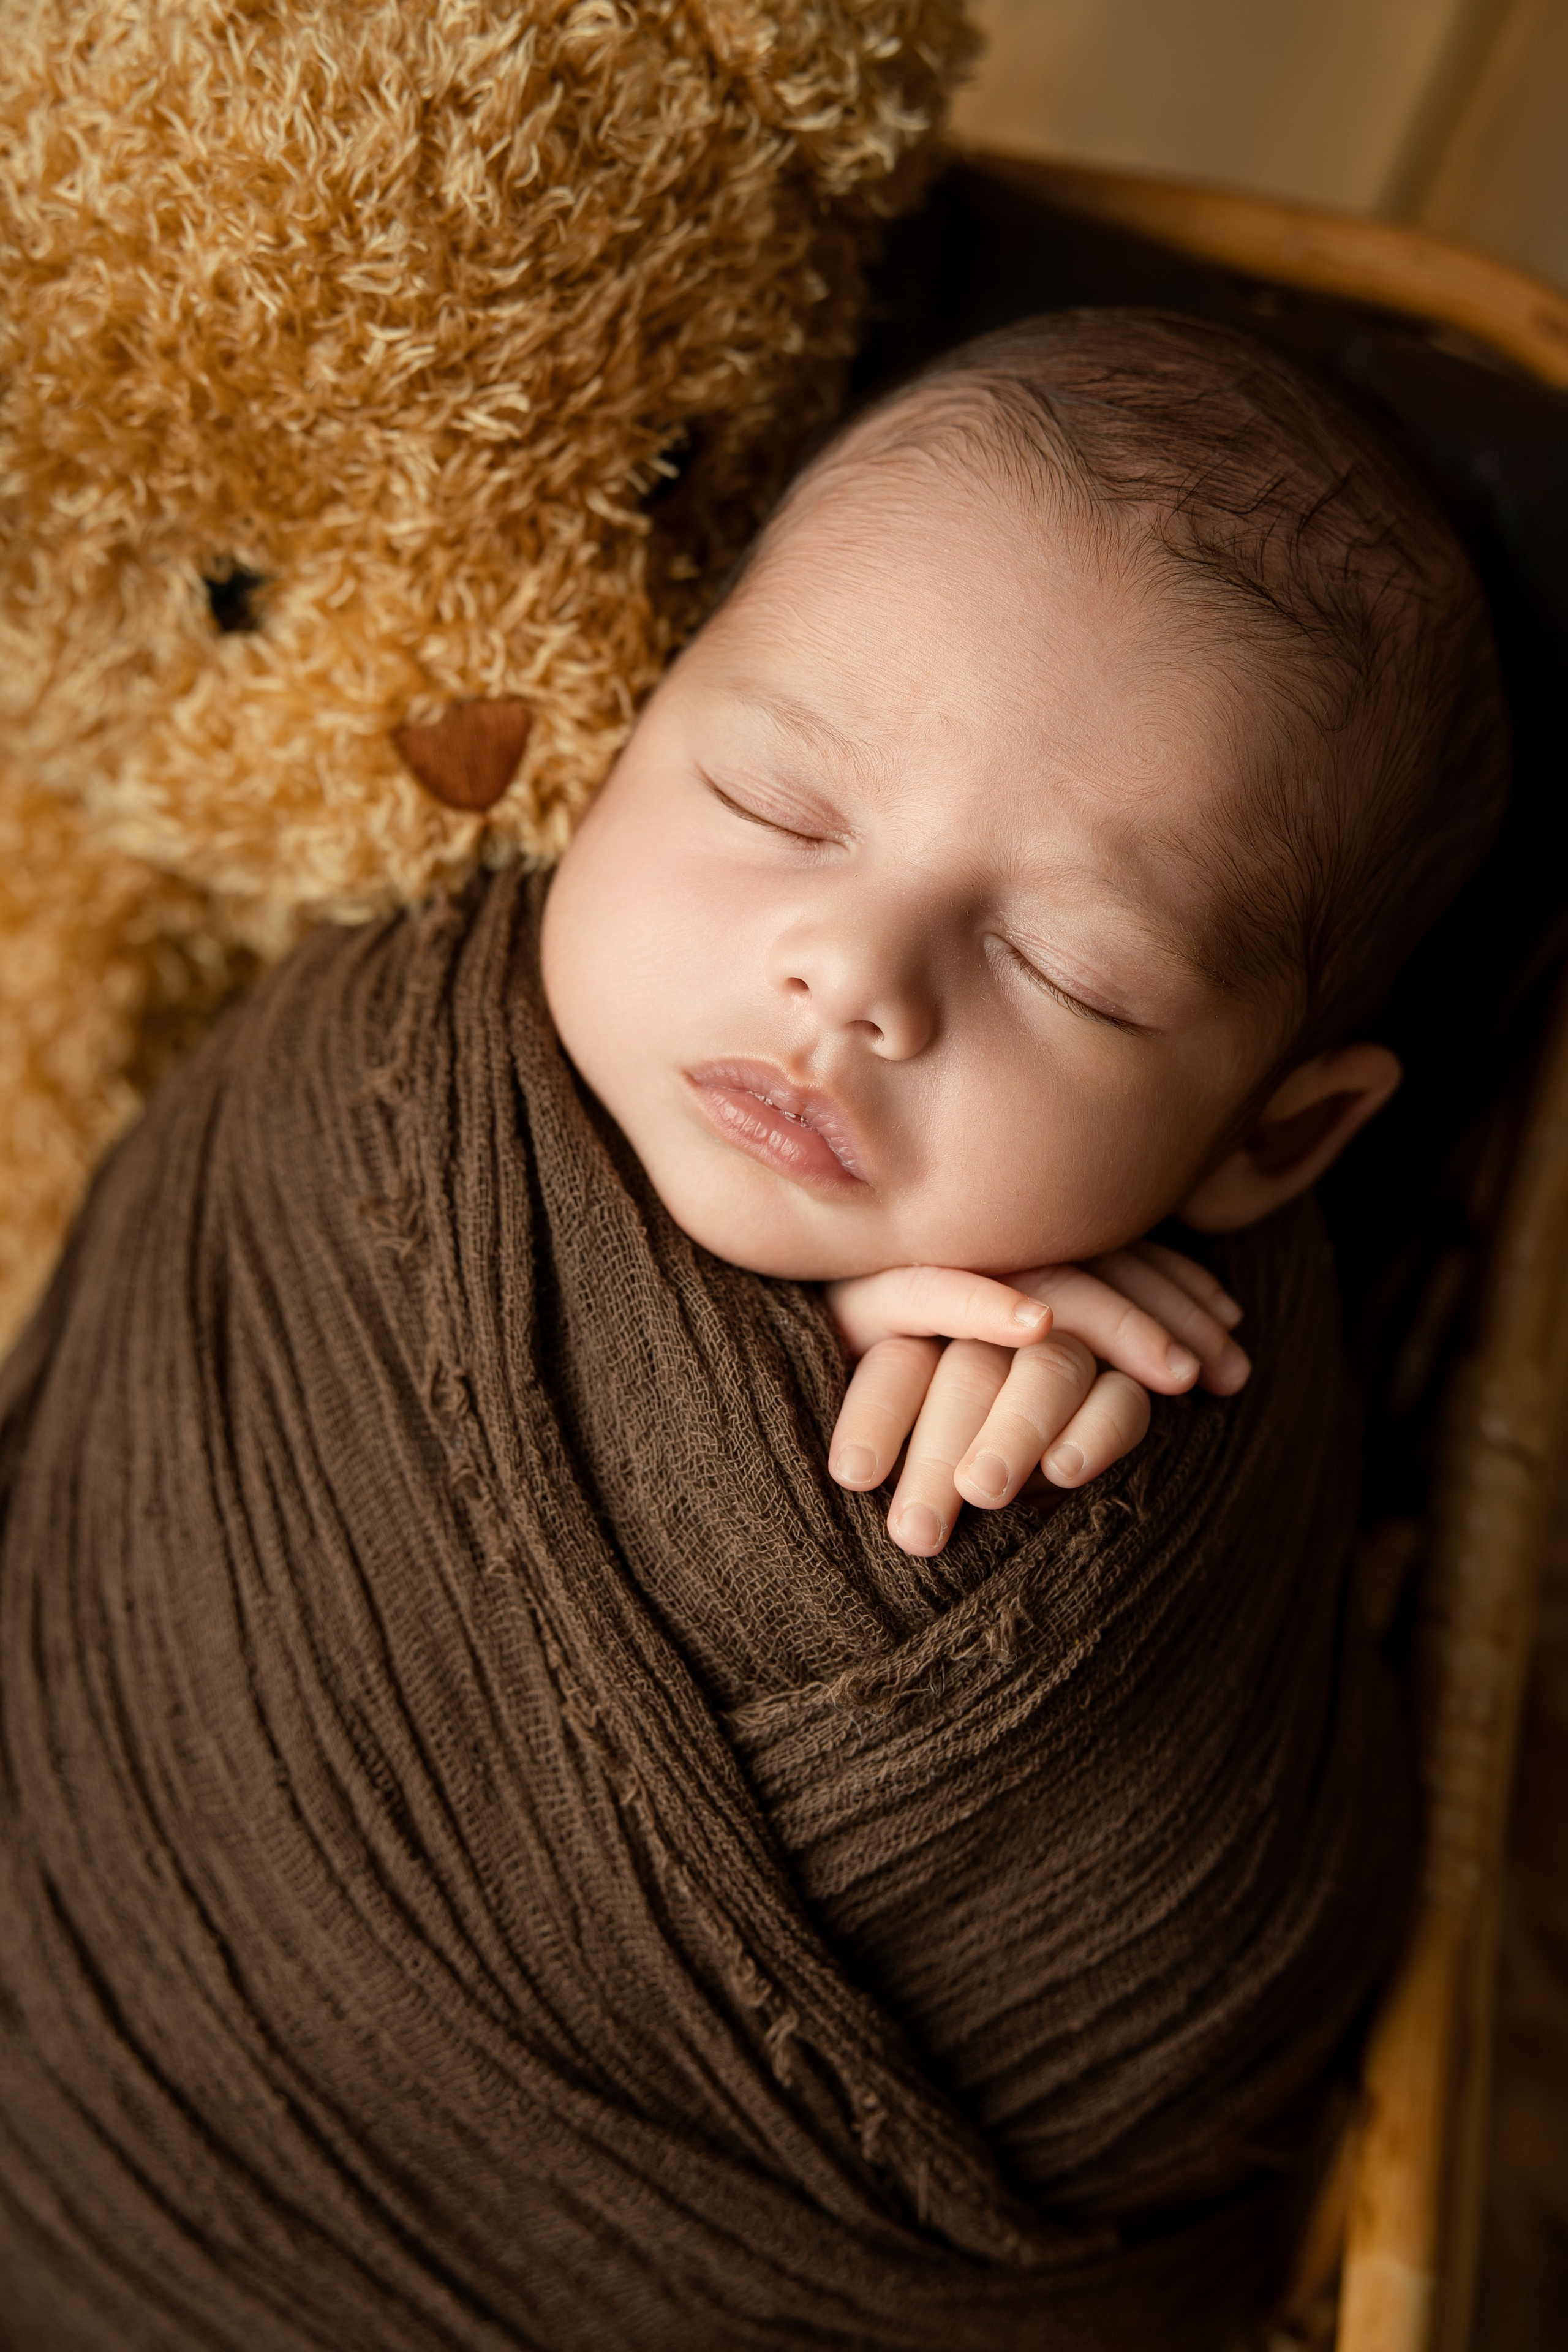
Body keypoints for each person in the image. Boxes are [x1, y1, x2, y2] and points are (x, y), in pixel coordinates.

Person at [541, 307, 1507, 1555]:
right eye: (771, 801)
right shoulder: (403, 1002)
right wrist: (756, 1362)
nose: (851, 975)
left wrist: (913, 1424)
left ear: (1278, 1132)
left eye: (1066, 969)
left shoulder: (1090, 1425)